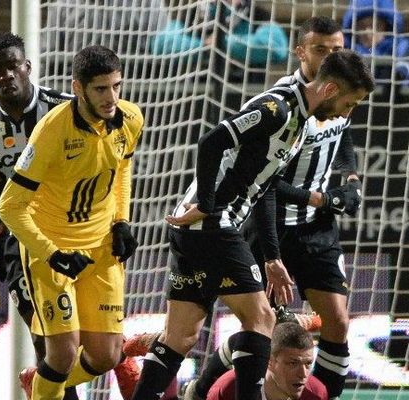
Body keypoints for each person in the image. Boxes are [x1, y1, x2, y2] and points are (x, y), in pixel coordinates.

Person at [129, 49, 374, 400]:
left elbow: (266, 186)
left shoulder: (300, 124)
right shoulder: (278, 109)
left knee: (180, 336)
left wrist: (272, 258)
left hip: (202, 229)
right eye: (350, 104)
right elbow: (212, 141)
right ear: (332, 90)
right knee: (261, 320)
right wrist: (209, 206)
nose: (345, 114)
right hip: (214, 224)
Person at [185, 17, 363, 400]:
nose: (330, 56)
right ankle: (200, 392)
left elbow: (343, 140)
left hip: (316, 228)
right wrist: (314, 198)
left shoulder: (338, 97)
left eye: (337, 49)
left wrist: (349, 179)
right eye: (320, 49)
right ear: (300, 51)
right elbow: (263, 179)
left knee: (337, 321)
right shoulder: (283, 105)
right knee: (261, 328)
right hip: (269, 223)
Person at [0, 33, 150, 400]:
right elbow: (5, 202)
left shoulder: (129, 118)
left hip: (99, 249)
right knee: (60, 351)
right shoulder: (49, 129)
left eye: (116, 87)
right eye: (101, 89)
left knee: (105, 355)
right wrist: (50, 251)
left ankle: (40, 386)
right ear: (79, 89)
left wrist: (121, 220)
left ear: (28, 67)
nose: (111, 98)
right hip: (47, 246)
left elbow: (121, 167)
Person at [198, 323, 328, 400]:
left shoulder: (316, 394)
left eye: (308, 364)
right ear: (269, 361)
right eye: (293, 363)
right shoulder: (228, 389)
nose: (303, 374)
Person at [151, 0, 288, 67]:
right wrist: (203, 46)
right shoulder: (192, 15)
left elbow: (277, 47)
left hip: (246, 99)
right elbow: (161, 44)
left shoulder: (257, 15)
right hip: (193, 101)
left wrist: (222, 43)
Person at [342, 0, 409, 86]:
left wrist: (398, 73)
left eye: (376, 26)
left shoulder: (400, 47)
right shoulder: (346, 50)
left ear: (387, 27)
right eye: (362, 26)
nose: (368, 32)